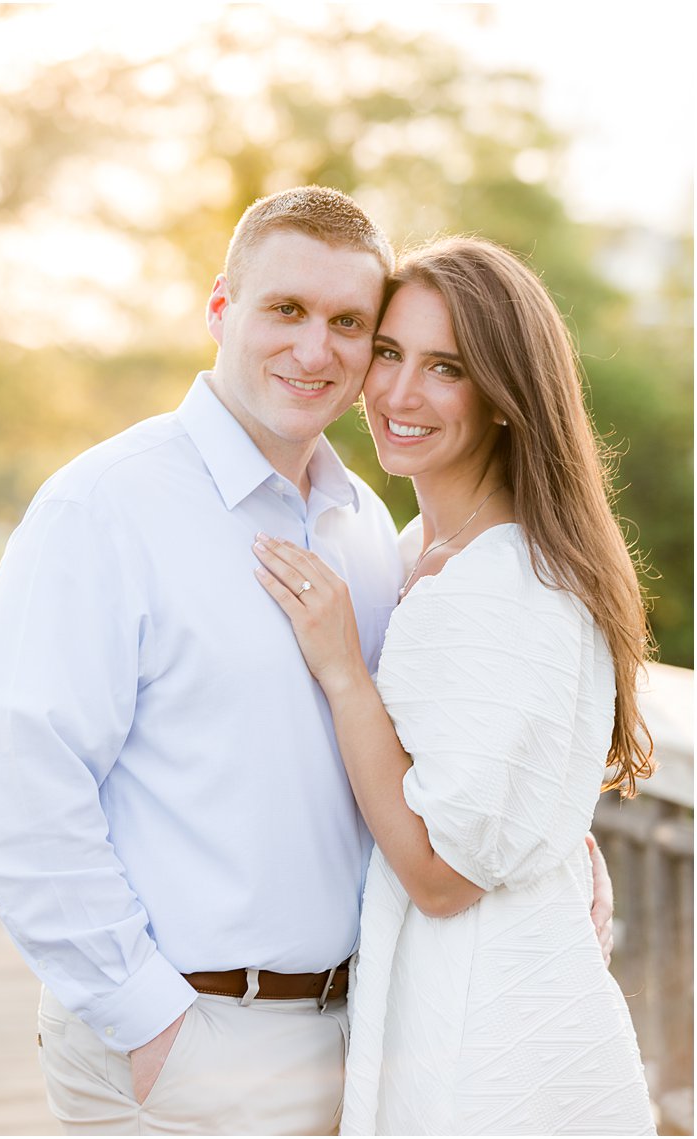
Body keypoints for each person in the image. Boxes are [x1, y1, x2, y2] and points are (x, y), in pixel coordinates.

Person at [0, 187, 614, 1135]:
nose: (318, 350)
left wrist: (546, 835)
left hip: (367, 1041)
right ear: (221, 308)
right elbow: (21, 795)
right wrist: (150, 1023)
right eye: (286, 309)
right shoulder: (104, 507)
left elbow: (435, 746)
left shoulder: (367, 530)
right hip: (195, 1046)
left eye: (352, 323)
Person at [251, 237, 654, 1134]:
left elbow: (441, 874)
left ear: (506, 397)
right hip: (439, 1013)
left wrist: (344, 669)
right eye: (389, 354)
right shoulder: (411, 551)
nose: (398, 392)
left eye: (447, 368)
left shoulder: (507, 583)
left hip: (491, 1043)